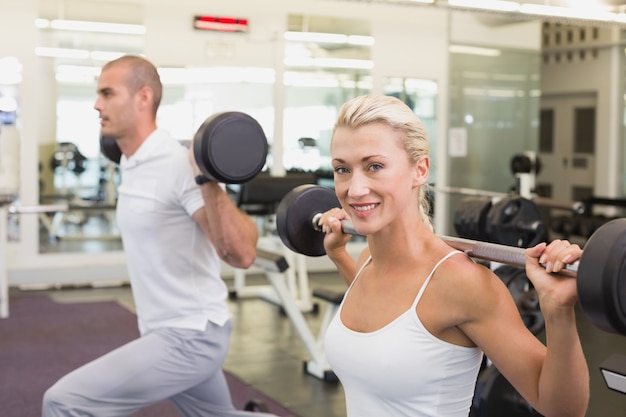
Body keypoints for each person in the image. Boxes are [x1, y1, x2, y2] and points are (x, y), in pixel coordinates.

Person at [316, 94, 589, 417]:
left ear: (419, 170)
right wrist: (338, 255)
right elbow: (386, 326)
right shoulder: (366, 263)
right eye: (342, 170)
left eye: (374, 166)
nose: (355, 188)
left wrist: (558, 311)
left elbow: (562, 411)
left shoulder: (462, 283)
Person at [42, 55, 278, 417]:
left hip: (190, 335)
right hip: (162, 328)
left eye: (107, 93)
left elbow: (243, 254)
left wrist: (206, 179)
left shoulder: (177, 164)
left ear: (143, 98)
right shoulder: (132, 162)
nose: (96, 104)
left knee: (64, 402)